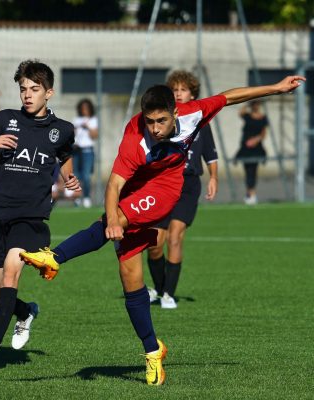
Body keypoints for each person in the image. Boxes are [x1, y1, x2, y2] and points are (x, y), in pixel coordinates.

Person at [20, 74, 305, 385]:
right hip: (135, 189)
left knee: (117, 220)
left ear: (175, 112)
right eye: (150, 121)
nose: (155, 128)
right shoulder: (135, 138)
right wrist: (114, 219)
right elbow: (113, 185)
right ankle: (152, 351)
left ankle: (56, 257)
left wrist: (276, 88)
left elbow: (230, 96)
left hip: (167, 188)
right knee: (130, 277)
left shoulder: (193, 112)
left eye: (161, 121)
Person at [0, 60, 80, 373]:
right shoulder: (4, 119)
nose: (27, 95)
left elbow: (65, 155)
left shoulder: (63, 130)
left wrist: (69, 178)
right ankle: (26, 312)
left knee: (9, 277)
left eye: (34, 89)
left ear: (49, 92)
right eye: (23, 89)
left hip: (31, 216)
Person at [146, 70, 219, 310]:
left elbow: (210, 154)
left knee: (175, 237)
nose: (179, 93)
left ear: (192, 93)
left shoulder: (200, 121)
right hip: (162, 183)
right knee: (155, 242)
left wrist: (213, 177)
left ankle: (168, 293)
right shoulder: (161, 120)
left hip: (188, 184)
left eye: (183, 89)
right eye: (175, 90)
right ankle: (157, 288)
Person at [235, 100, 268, 205]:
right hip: (245, 149)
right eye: (254, 104)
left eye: (257, 104)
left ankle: (252, 193)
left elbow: (263, 133)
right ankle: (249, 193)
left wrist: (255, 140)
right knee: (248, 171)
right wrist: (248, 103)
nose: (255, 106)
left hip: (256, 149)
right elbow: (240, 112)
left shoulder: (263, 118)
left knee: (253, 171)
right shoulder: (247, 116)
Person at [72, 98, 98, 208]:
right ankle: (77, 197)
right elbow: (71, 135)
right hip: (76, 150)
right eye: (82, 108)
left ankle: (87, 197)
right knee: (76, 175)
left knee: (86, 176)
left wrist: (87, 126)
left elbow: (94, 136)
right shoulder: (76, 120)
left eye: (86, 108)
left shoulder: (93, 120)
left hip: (87, 151)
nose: (84, 110)